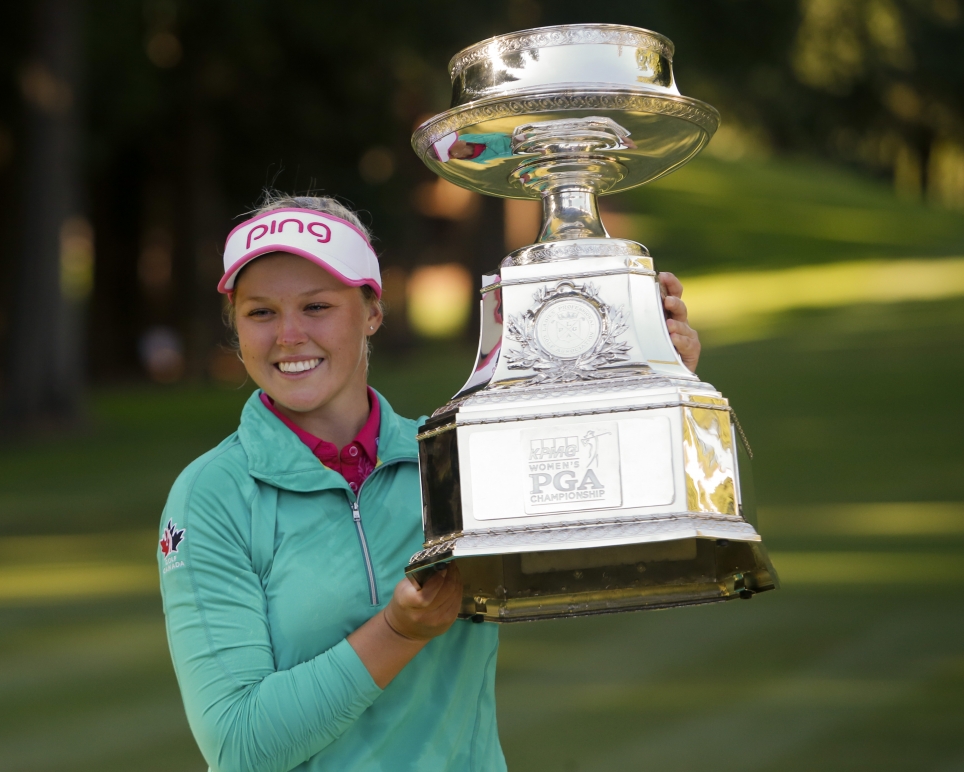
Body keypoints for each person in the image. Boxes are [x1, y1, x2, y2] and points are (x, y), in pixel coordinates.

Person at [158, 193, 701, 772]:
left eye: (316, 306)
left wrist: (652, 388)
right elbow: (238, 744)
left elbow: (603, 535)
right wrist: (398, 631)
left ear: (372, 311)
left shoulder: (454, 454)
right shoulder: (211, 496)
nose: (288, 334)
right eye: (260, 312)